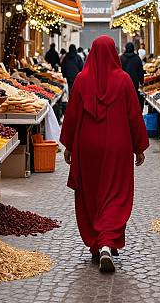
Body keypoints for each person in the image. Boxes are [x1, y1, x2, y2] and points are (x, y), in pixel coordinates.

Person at [60, 36, 149, 273]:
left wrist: (68, 145)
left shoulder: (81, 80)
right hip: (117, 147)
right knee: (115, 193)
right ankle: (107, 243)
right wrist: (138, 146)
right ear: (113, 54)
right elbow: (134, 115)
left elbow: (72, 115)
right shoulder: (123, 81)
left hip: (87, 146)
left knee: (91, 194)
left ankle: (97, 244)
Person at [120, 42, 144, 108]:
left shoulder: (122, 58)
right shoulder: (137, 58)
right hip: (134, 81)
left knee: (125, 97)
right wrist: (141, 82)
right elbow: (140, 71)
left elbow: (119, 70)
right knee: (134, 96)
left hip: (124, 81)